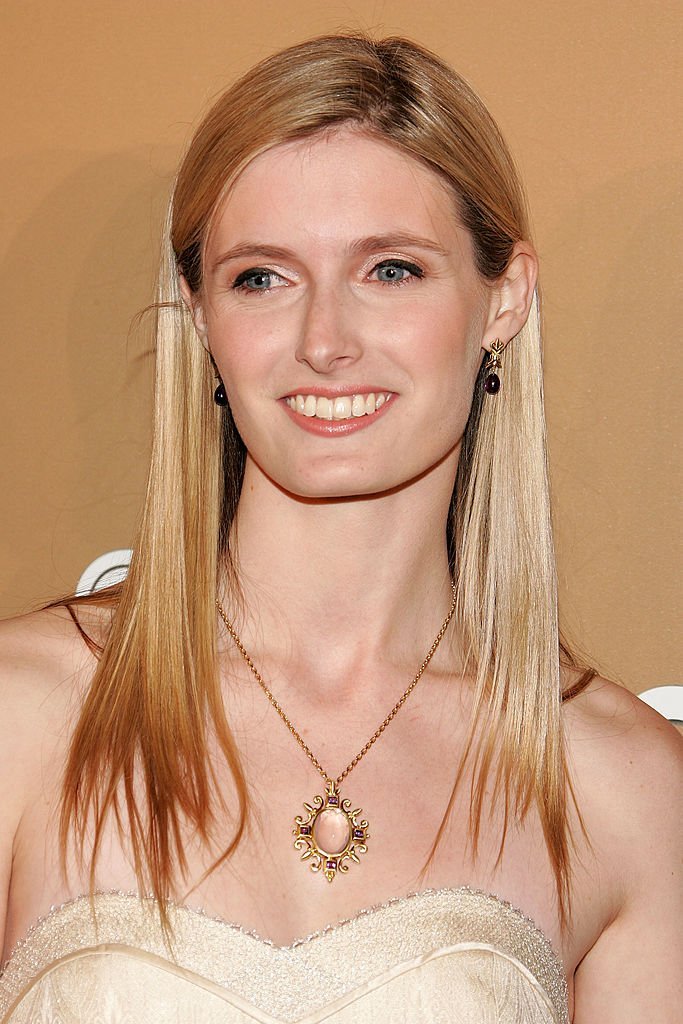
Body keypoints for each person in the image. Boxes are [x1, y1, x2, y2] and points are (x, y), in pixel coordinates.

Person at [0, 33, 680, 1024]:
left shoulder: (617, 787)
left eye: (391, 270)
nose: (323, 342)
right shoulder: (23, 717)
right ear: (200, 318)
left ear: (503, 297)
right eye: (261, 278)